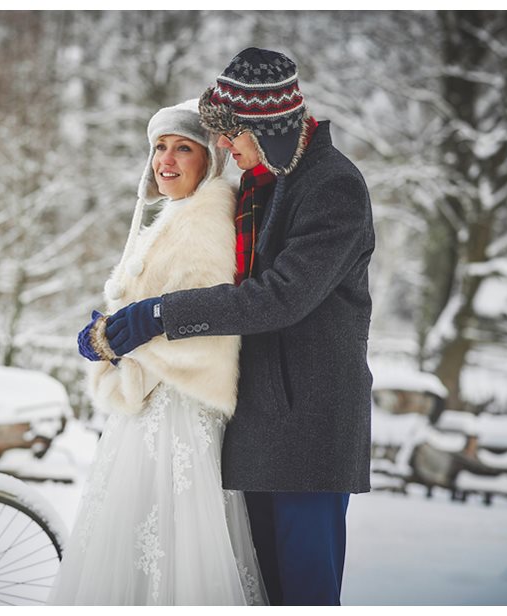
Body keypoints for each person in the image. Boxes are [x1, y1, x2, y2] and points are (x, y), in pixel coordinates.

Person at [91, 48, 375, 606]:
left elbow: (281, 297)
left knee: (305, 591)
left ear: (268, 128)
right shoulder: (264, 184)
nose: (225, 146)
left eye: (233, 134)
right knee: (263, 592)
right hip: (259, 422)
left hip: (309, 426)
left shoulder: (332, 187)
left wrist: (161, 315)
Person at [51, 100, 265, 605]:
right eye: (160, 148)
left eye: (182, 148)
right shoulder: (179, 213)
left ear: (209, 158)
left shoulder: (205, 220)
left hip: (173, 414)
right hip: (153, 408)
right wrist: (115, 332)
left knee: (170, 549)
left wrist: (116, 343)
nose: (165, 160)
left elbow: (203, 329)